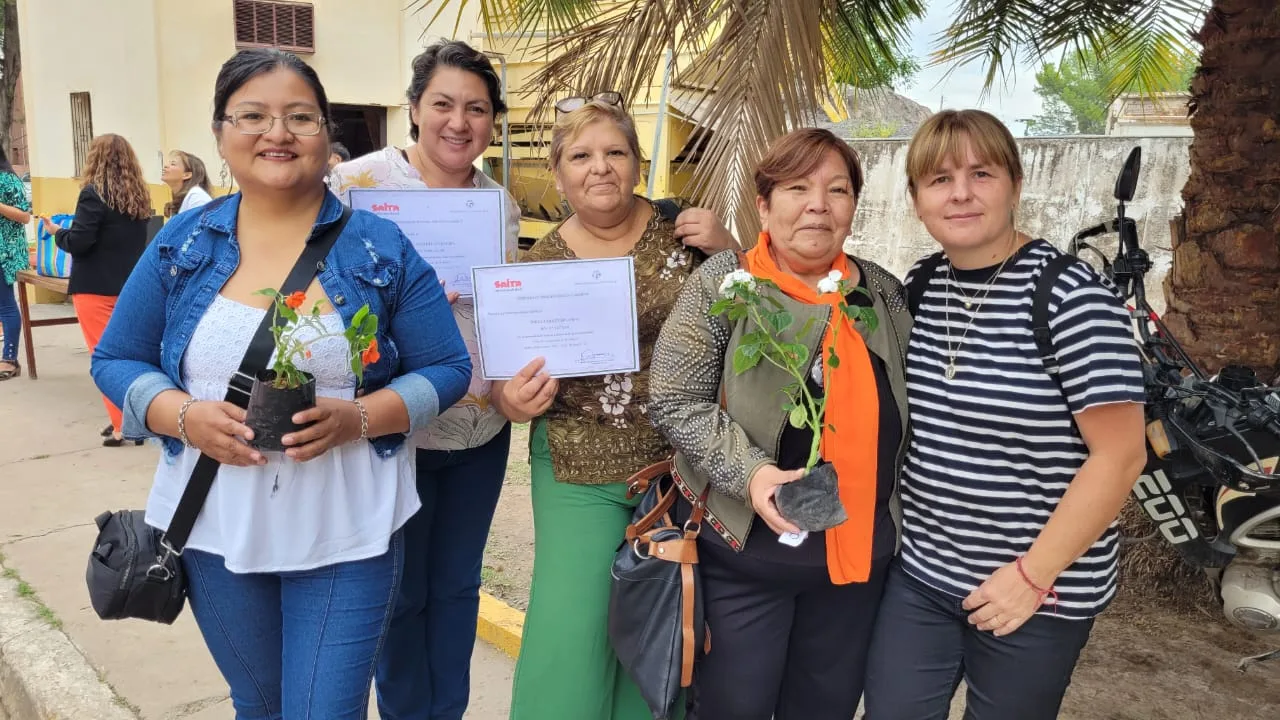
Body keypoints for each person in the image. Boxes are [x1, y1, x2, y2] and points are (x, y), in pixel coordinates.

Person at [89, 48, 471, 719]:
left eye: (300, 117)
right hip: (213, 527)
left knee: (324, 711)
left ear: (327, 136)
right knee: (259, 705)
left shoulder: (378, 249)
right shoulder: (183, 245)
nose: (278, 133)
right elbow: (117, 359)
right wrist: (181, 414)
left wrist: (359, 418)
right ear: (220, 135)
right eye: (254, 116)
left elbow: (446, 369)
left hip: (349, 525)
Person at [862, 109, 1147, 719]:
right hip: (923, 575)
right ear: (916, 201)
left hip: (1042, 591)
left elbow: (1121, 456)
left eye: (980, 174)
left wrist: (1032, 575)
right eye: (939, 180)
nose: (960, 193)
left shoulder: (1072, 301)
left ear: (1015, 185)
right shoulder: (919, 287)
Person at [648, 128, 911, 719]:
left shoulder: (882, 295)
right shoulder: (726, 283)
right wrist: (754, 472)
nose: (818, 203)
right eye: (797, 188)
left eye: (837, 189)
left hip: (855, 565)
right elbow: (674, 397)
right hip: (745, 558)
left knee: (826, 706)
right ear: (764, 205)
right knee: (732, 707)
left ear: (852, 206)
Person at [502, 97, 736, 720]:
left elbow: (749, 322)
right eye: (580, 156)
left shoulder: (686, 235)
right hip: (577, 465)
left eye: (615, 152)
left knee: (656, 620)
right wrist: (513, 399)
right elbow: (507, 378)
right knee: (571, 631)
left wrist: (730, 248)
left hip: (678, 468)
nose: (599, 167)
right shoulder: (538, 266)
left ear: (638, 163)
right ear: (557, 175)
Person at [329, 40, 520, 720]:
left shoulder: (499, 204)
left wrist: (508, 385)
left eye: (476, 108)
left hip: (478, 429)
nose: (458, 122)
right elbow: (317, 293)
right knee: (400, 592)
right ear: (414, 109)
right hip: (390, 430)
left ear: (491, 121)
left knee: (457, 587)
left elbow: (503, 311)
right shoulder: (356, 187)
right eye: (443, 104)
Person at [43, 134, 150, 445]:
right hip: (129, 286)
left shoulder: (92, 194)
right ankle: (133, 418)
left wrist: (57, 232)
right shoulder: (138, 196)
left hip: (95, 287)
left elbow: (80, 242)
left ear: (94, 159)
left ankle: (123, 427)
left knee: (105, 358)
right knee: (129, 356)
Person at [0, 146, 30, 381]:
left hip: (5, 252)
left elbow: (24, 215)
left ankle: (10, 358)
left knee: (6, 304)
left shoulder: (9, 180)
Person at [162, 150, 214, 217]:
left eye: (173, 164)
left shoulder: (197, 197)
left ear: (186, 175)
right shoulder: (181, 200)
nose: (166, 166)